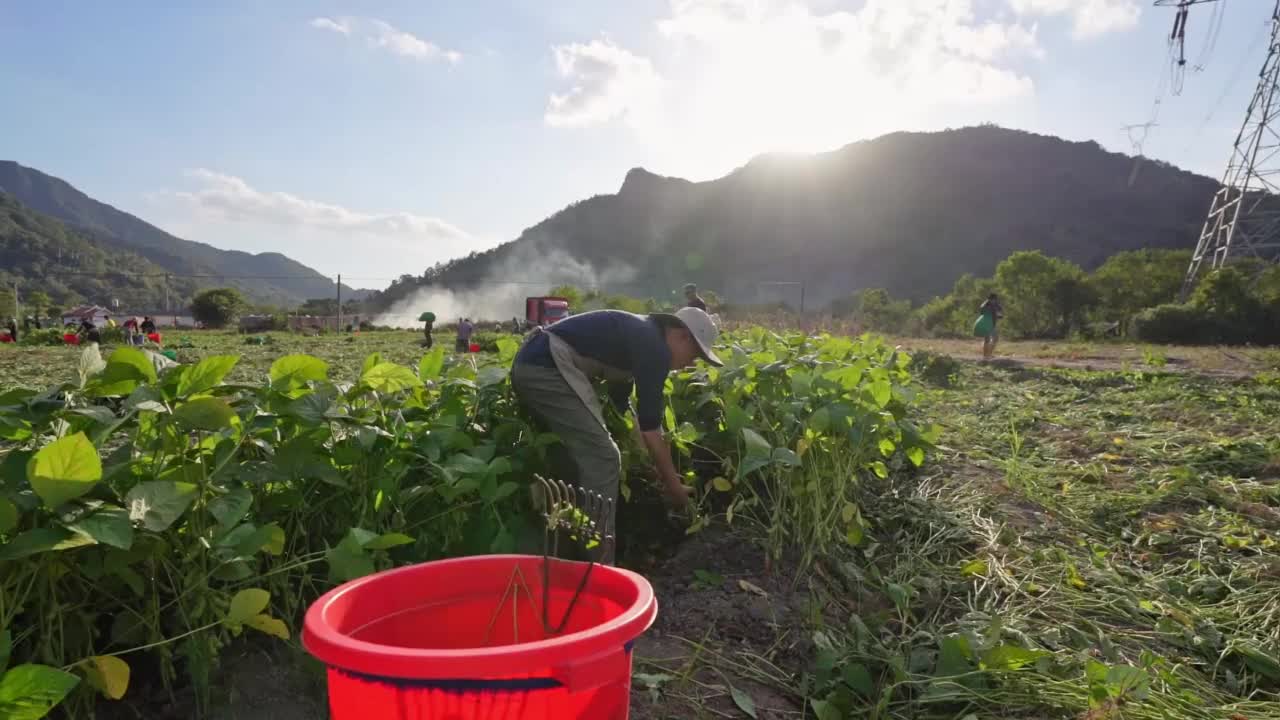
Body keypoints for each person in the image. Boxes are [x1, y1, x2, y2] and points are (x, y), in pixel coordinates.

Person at [511, 307, 721, 564]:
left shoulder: (639, 335)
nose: (692, 363)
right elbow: (650, 429)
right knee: (604, 458)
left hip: (534, 363)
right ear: (681, 336)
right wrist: (673, 486)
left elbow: (624, 411)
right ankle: (599, 566)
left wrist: (650, 467)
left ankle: (564, 554)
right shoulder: (655, 348)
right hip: (546, 366)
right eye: (695, 354)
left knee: (574, 459)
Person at [979, 293, 1004, 360]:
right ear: (989, 299)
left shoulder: (996, 305)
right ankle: (985, 356)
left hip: (993, 324)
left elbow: (1000, 312)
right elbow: (981, 311)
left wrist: (999, 314)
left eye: (995, 299)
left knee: (995, 339)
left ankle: (989, 354)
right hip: (986, 324)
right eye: (993, 299)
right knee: (987, 340)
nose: (994, 301)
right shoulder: (985, 305)